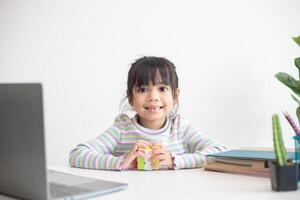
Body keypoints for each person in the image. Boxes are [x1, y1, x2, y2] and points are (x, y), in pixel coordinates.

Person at [69, 56, 227, 170]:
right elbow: (77, 154)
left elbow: (219, 152)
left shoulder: (180, 128)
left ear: (175, 96)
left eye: (162, 89)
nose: (153, 97)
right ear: (131, 98)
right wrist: (121, 162)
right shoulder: (122, 129)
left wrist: (175, 161)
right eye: (143, 89)